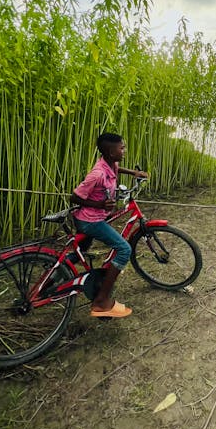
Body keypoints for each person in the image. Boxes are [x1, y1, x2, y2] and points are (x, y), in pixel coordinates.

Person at [70, 132, 148, 319]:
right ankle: (101, 301)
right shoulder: (97, 174)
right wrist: (100, 205)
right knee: (124, 249)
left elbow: (116, 169)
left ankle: (53, 275)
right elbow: (74, 197)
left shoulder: (110, 163)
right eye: (122, 148)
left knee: (79, 251)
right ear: (111, 152)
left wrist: (134, 173)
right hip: (91, 220)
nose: (125, 150)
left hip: (93, 217)